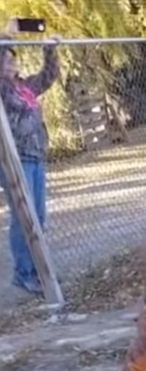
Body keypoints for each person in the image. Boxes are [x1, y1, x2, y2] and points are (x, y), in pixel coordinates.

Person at [0, 25, 60, 294]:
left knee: (39, 215)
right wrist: (7, 34)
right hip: (14, 160)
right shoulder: (2, 89)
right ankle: (23, 273)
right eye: (7, 59)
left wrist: (49, 50)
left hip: (35, 155)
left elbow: (48, 77)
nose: (13, 63)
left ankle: (37, 270)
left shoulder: (23, 86)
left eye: (14, 59)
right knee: (24, 215)